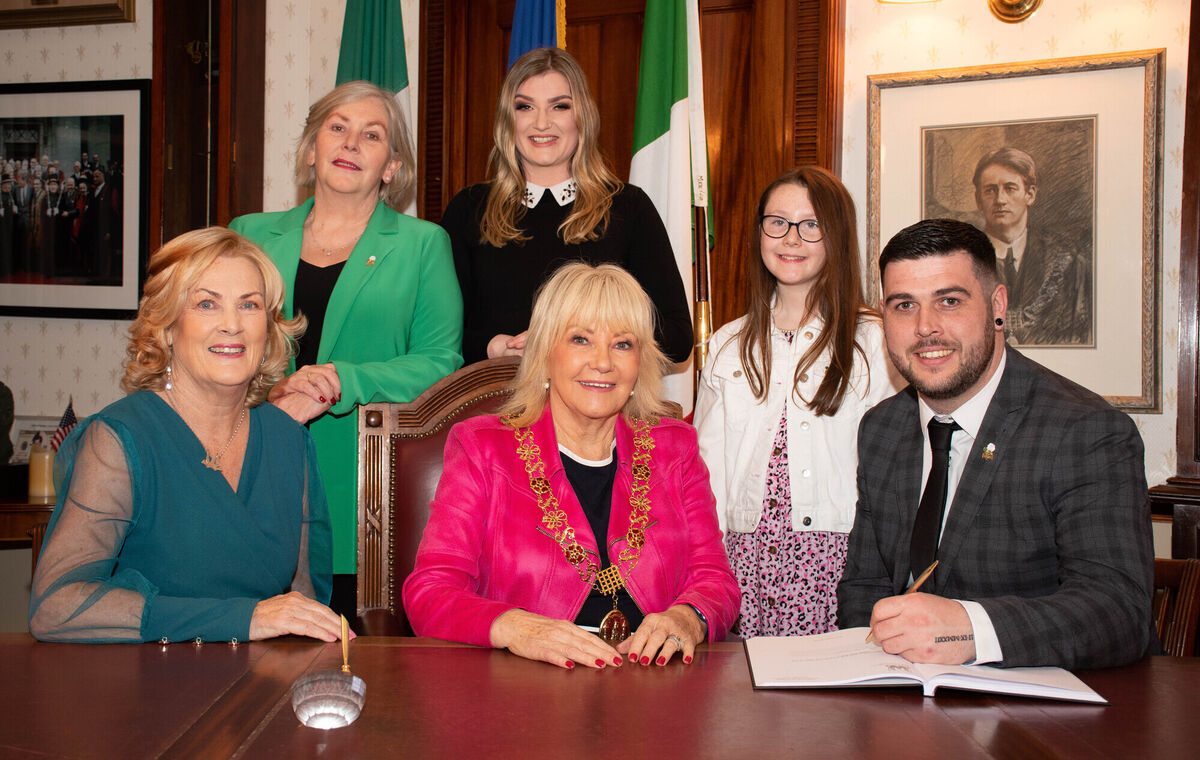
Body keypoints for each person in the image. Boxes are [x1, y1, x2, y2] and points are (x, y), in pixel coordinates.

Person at [837, 218, 1153, 669]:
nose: (926, 328)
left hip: (1043, 722)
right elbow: (864, 589)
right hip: (900, 706)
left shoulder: (1086, 430)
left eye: (949, 301)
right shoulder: (881, 428)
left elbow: (1120, 611)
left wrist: (972, 629)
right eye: (904, 305)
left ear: (997, 304)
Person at [404, 262, 738, 669]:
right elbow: (431, 592)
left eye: (622, 344)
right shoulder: (482, 447)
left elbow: (715, 580)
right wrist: (516, 628)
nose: (603, 362)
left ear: (640, 364)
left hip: (651, 689)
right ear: (545, 354)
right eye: (581, 339)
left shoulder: (675, 448)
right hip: (525, 694)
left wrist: (689, 616)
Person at [29, 227, 341, 644]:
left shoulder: (289, 441)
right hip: (146, 691)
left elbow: (301, 606)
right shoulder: (121, 439)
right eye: (206, 304)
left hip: (259, 689)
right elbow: (56, 607)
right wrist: (243, 618)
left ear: (267, 328)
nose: (232, 325)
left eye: (249, 305)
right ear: (169, 327)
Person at [231, 80, 464, 620]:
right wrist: (276, 386)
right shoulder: (250, 234)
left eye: (372, 134)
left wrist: (340, 379)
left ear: (391, 168)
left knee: (354, 671)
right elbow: (221, 345)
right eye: (337, 128)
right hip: (252, 473)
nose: (351, 142)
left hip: (363, 490)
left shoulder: (423, 244)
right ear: (312, 148)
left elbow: (440, 363)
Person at [694, 167, 900, 637]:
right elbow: (707, 468)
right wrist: (708, 564)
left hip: (839, 557)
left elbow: (896, 467)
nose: (792, 238)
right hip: (745, 558)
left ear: (837, 237)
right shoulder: (729, 344)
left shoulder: (874, 339)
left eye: (812, 224)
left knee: (826, 706)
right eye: (778, 222)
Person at [440, 47, 692, 365]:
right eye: (525, 107)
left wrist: (576, 340)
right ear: (508, 119)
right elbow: (437, 337)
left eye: (559, 106)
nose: (542, 123)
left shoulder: (629, 208)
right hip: (493, 399)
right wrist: (492, 348)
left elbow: (677, 337)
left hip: (599, 399)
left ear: (582, 117)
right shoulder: (469, 209)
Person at [972, 147, 1091, 345]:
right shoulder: (959, 262)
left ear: (1030, 194)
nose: (1000, 200)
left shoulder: (1070, 265)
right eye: (990, 190)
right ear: (978, 200)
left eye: (1010, 188)